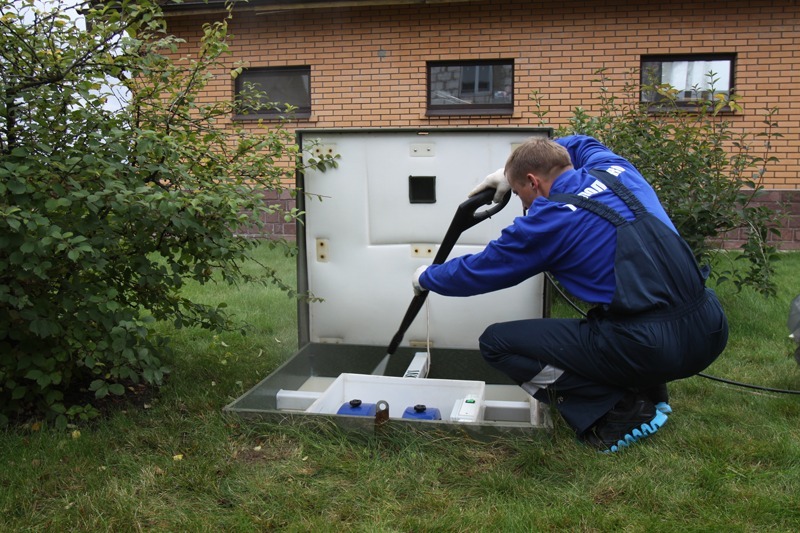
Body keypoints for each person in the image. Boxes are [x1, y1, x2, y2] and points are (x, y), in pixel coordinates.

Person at [412, 135, 728, 452]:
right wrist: (507, 172)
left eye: (521, 194)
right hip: (711, 328)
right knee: (612, 315)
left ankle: (618, 410)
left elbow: (478, 271)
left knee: (497, 344)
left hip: (652, 347)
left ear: (533, 182)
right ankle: (647, 390)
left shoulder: (548, 221)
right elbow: (580, 142)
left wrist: (427, 277)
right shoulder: (616, 168)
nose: (523, 205)